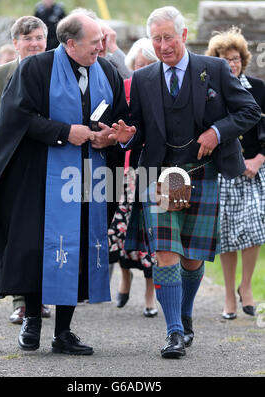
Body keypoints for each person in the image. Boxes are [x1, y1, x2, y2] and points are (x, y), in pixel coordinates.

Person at [0, 11, 128, 355]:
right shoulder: (35, 68)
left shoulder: (108, 70)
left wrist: (111, 137)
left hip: (87, 179)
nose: (102, 47)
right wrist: (64, 132)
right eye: (94, 42)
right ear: (70, 44)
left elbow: (120, 116)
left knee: (78, 249)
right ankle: (32, 322)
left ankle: (64, 332)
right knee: (37, 250)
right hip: (39, 177)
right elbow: (17, 117)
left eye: (101, 41)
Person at [109, 6, 261, 359]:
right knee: (165, 254)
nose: (163, 46)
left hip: (203, 173)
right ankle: (174, 331)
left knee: (192, 258)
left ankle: (185, 313)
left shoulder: (215, 69)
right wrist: (128, 136)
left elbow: (249, 110)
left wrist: (217, 132)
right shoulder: (145, 78)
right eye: (156, 39)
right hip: (160, 177)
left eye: (168, 37)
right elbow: (138, 130)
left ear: (184, 35)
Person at [0, 16, 51, 326]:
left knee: (44, 235)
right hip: (8, 167)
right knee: (12, 237)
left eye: (38, 38)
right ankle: (21, 302)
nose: (33, 44)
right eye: (27, 39)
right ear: (16, 43)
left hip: (46, 167)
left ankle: (41, 298)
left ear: (47, 41)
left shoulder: (56, 74)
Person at [205, 27, 265, 320]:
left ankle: (246, 286)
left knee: (254, 228)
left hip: (254, 170)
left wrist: (259, 160)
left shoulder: (259, 88)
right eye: (226, 59)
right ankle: (229, 295)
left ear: (243, 59)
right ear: (216, 61)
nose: (232, 64)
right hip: (224, 172)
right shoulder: (210, 93)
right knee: (226, 235)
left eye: (236, 58)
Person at [108, 38, 159, 317]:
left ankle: (150, 293)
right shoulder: (124, 89)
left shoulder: (162, 92)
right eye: (137, 65)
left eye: (147, 66)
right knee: (121, 226)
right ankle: (125, 277)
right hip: (123, 169)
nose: (141, 71)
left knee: (150, 229)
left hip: (152, 169)